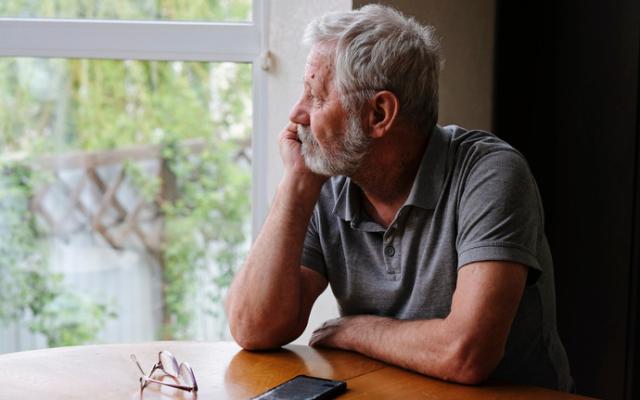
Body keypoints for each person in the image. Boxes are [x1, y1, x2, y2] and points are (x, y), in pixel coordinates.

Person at [225, 4, 573, 391]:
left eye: (316, 96)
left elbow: (467, 352)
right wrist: (295, 186)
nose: (297, 113)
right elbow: (253, 328)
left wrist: (354, 330)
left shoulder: (490, 174)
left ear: (379, 114)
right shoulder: (329, 180)